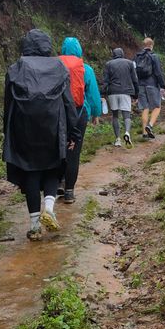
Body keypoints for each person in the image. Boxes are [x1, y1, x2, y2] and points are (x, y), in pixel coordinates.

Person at [3, 29, 81, 241]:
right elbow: (68, 102)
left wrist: (7, 133)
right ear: (47, 45)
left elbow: (8, 104)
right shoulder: (59, 67)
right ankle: (49, 208)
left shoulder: (16, 68)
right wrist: (73, 132)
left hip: (23, 129)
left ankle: (35, 225)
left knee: (30, 171)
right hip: (53, 127)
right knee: (52, 168)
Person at [57, 37, 102, 204]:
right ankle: (69, 192)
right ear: (79, 50)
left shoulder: (54, 65)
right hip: (78, 114)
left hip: (57, 114)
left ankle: (58, 183)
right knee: (73, 153)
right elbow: (93, 95)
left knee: (58, 149)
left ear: (63, 49)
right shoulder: (85, 69)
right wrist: (96, 113)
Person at [103, 47, 138, 148]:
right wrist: (136, 94)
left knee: (115, 116)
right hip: (125, 92)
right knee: (126, 115)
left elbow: (105, 81)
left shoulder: (108, 64)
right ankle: (127, 132)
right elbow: (135, 80)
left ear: (113, 55)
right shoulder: (129, 63)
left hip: (113, 92)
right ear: (122, 54)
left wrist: (103, 94)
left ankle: (118, 139)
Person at [134, 37, 165, 139]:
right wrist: (163, 85)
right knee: (157, 107)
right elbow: (158, 72)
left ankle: (144, 133)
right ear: (151, 45)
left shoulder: (137, 57)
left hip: (140, 85)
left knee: (145, 108)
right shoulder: (154, 56)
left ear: (143, 45)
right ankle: (150, 125)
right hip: (152, 85)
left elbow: (134, 72)